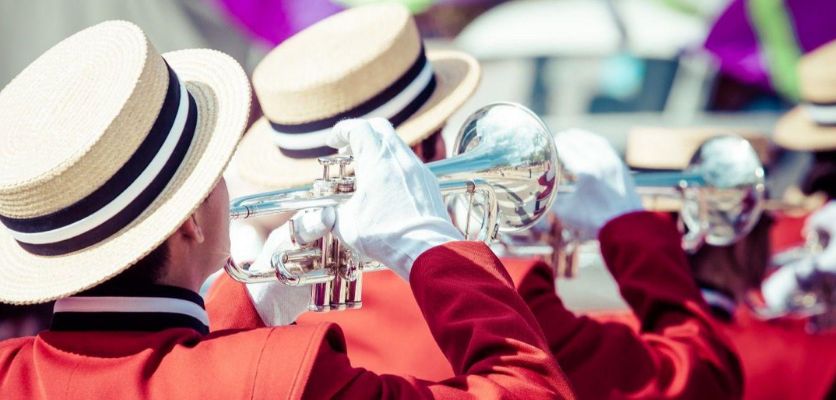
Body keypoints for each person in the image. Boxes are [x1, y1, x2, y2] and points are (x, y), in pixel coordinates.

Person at [0, 19, 574, 399]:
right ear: (191, 221)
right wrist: (431, 246)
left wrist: (241, 307)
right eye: (213, 172)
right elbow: (529, 388)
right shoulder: (283, 374)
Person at [625, 127, 836, 400]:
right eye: (765, 218)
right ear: (738, 230)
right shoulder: (797, 356)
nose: (775, 224)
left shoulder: (605, 341)